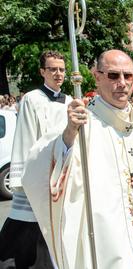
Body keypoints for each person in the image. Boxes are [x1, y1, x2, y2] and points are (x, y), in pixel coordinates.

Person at [21, 49, 133, 268]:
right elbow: (40, 166)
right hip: (107, 234)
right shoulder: (84, 121)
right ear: (97, 76)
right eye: (113, 75)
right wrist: (70, 133)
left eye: (128, 75)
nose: (122, 82)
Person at [0, 51, 70, 269]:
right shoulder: (32, 99)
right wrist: (27, 177)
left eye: (61, 69)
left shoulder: (69, 101)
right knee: (30, 225)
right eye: (52, 69)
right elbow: (27, 138)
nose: (58, 74)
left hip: (62, 172)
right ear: (42, 72)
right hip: (40, 172)